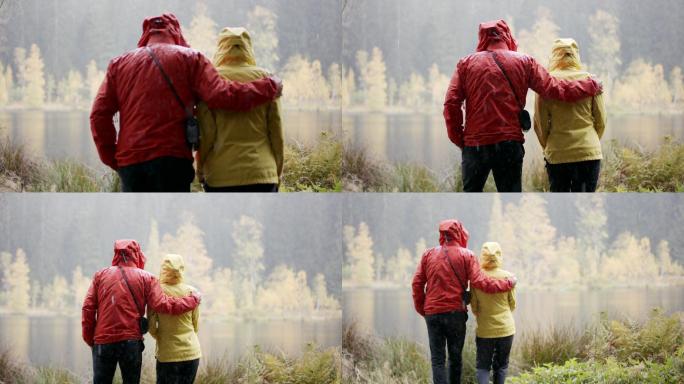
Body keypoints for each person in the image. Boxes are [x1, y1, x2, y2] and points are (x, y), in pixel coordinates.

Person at [90, 13, 284, 192]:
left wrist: (113, 158)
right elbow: (222, 95)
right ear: (176, 32)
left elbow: (99, 115)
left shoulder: (119, 64)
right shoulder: (191, 59)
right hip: (173, 162)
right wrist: (268, 87)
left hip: (131, 164)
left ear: (146, 34)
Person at [443, 19, 603, 192]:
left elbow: (451, 104)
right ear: (507, 36)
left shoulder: (466, 64)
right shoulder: (525, 62)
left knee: (471, 198)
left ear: (482, 38)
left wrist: (462, 140)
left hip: (475, 146)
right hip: (509, 146)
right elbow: (554, 89)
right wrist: (590, 85)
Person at [412, 220, 517, 384]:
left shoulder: (428, 254)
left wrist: (423, 309)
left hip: (432, 314)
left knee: (437, 360)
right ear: (459, 233)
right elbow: (481, 283)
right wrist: (507, 283)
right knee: (455, 359)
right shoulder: (467, 255)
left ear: (442, 234)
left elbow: (417, 283)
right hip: (455, 314)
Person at [82, 240, 201, 384]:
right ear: (136, 254)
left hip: (102, 342)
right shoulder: (146, 278)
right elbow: (163, 304)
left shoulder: (100, 275)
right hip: (131, 343)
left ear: (117, 254)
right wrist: (192, 300)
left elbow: (88, 308)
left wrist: (90, 339)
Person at [197, 27, 283, 192]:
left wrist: (200, 169)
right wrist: (276, 171)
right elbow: (276, 130)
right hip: (263, 172)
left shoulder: (211, 80)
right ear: (248, 47)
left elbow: (206, 134)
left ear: (221, 47)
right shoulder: (267, 78)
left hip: (220, 176)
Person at [534, 38, 607, 192]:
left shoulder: (546, 83)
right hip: (589, 152)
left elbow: (540, 124)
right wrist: (590, 141)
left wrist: (549, 146)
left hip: (558, 152)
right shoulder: (591, 81)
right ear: (576, 55)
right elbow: (601, 120)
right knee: (584, 206)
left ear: (554, 55)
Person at [148, 254, 201, 384]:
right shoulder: (191, 292)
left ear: (163, 270)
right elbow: (196, 325)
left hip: (167, 354)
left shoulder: (156, 292)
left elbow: (151, 327)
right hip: (191, 352)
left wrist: (161, 336)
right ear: (181, 270)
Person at [470, 242, 516, 384]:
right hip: (506, 328)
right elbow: (512, 304)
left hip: (485, 330)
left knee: (483, 367)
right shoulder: (508, 277)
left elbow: (474, 307)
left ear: (482, 257)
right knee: (501, 366)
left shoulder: (476, 278)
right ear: (499, 256)